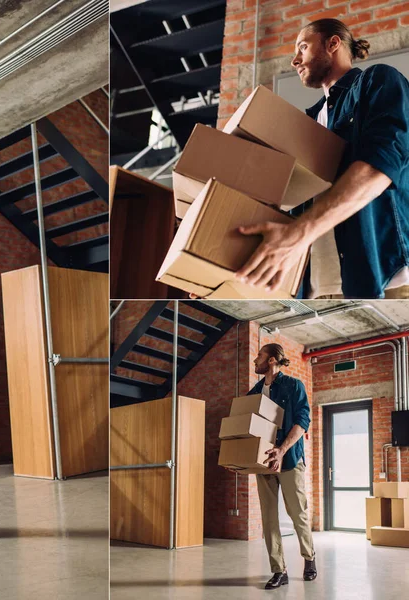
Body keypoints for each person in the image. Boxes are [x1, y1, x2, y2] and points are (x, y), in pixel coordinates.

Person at [234, 18, 409, 299]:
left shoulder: (378, 81)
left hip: (385, 279)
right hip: (317, 288)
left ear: (332, 44)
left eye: (302, 47)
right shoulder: (307, 123)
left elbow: (380, 167)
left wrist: (299, 233)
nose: (294, 60)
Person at [247, 343, 316, 590]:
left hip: (289, 459)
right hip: (263, 462)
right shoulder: (253, 392)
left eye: (260, 356)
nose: (255, 360)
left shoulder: (293, 386)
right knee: (268, 518)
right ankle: (279, 570)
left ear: (273, 360)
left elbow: (302, 420)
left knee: (297, 513)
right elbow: (246, 428)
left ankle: (309, 558)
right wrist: (240, 461)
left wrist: (282, 449)